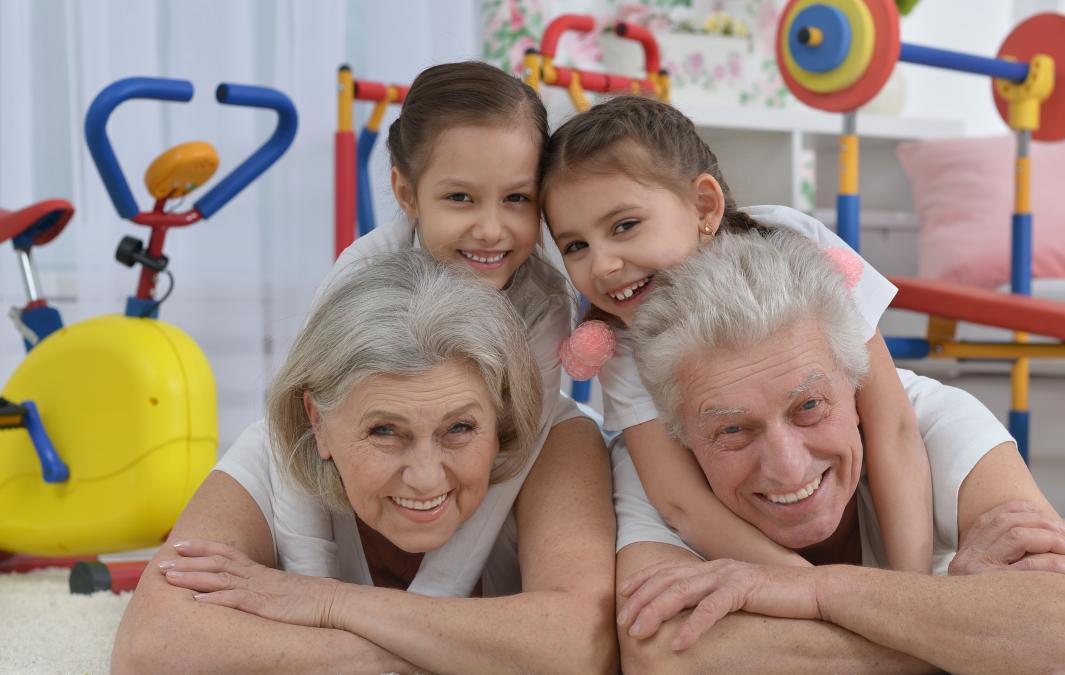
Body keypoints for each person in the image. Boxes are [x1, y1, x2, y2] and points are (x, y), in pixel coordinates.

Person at [611, 230, 1065, 673]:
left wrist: (814, 593)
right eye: (732, 430)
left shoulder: (936, 421)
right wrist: (964, 631)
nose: (787, 464)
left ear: (858, 387)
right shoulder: (653, 472)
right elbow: (662, 656)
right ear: (680, 432)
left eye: (810, 406)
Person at [111, 250, 616, 673]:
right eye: (384, 431)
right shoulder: (276, 447)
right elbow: (150, 645)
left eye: (460, 428)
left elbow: (578, 646)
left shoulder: (560, 443)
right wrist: (450, 654)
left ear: (500, 414)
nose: (425, 476)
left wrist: (329, 603)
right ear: (317, 420)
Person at [227, 61, 590, 596]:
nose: (491, 230)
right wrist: (312, 583)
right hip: (378, 471)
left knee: (567, 428)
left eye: (517, 199)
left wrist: (433, 600)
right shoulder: (362, 270)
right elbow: (305, 427)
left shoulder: (543, 300)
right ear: (405, 192)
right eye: (460, 198)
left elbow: (512, 463)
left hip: (479, 483)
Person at [541, 95, 933, 572]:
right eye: (576, 246)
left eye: (624, 226)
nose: (601, 265)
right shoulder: (624, 345)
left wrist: (911, 585)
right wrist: (811, 587)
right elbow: (682, 502)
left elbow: (891, 424)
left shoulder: (789, 240)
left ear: (704, 206)